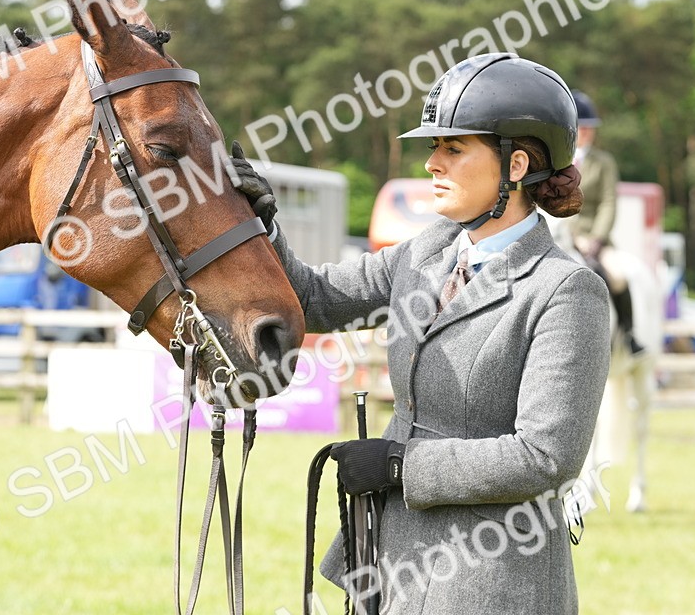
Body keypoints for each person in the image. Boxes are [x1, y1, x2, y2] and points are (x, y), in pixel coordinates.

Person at [233, 53, 611, 613]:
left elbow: (545, 455)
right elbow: (315, 300)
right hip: (390, 565)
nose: (432, 163)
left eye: (453, 148)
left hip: (492, 582)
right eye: (434, 147)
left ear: (515, 166)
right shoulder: (426, 250)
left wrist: (398, 465)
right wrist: (260, 225)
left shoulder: (566, 290)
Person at [567, 90, 644, 355]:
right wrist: (570, 233)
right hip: (564, 234)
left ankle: (630, 334)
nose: (586, 132)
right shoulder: (557, 162)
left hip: (594, 237)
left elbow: (609, 203)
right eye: (581, 127)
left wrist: (597, 238)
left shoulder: (604, 162)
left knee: (619, 278)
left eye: (590, 128)